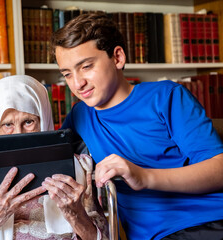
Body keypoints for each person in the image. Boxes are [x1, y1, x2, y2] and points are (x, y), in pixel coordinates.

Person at [50, 11, 223, 240]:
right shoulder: (79, 115)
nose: (78, 83)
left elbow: (218, 169)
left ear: (117, 58)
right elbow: (46, 157)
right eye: (67, 74)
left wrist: (143, 176)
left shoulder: (166, 96)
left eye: (86, 66)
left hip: (208, 221)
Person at [0, 75, 108, 239]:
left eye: (28, 122)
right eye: (8, 124)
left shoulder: (80, 166)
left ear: (44, 120)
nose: (18, 134)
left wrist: (76, 216)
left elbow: (103, 236)